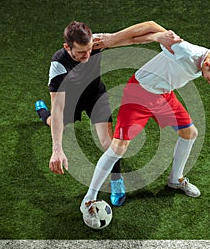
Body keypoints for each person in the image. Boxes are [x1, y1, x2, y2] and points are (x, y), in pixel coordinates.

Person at [80, 26, 210, 227]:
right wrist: (111, 39)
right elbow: (151, 26)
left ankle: (175, 179)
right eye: (209, 78)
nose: (209, 83)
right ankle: (89, 197)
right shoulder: (184, 50)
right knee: (119, 147)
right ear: (208, 61)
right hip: (139, 93)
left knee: (190, 133)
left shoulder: (207, 59)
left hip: (163, 96)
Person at [35, 20, 181, 207]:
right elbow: (59, 110)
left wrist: (156, 36)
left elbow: (137, 35)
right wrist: (57, 149)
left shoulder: (94, 42)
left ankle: (116, 180)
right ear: (67, 47)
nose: (87, 55)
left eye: (89, 50)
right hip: (70, 100)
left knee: (109, 144)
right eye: (80, 52)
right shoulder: (58, 64)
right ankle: (41, 111)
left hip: (96, 96)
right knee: (53, 121)